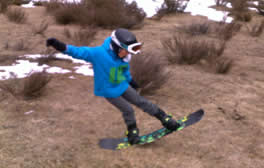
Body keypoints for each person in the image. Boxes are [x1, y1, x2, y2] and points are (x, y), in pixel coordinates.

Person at [46, 28, 180, 144]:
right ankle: (132, 133)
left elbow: (124, 70)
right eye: (126, 51)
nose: (128, 54)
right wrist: (59, 45)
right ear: (116, 47)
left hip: (122, 85)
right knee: (128, 109)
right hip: (108, 91)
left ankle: (165, 119)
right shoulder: (98, 54)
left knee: (141, 101)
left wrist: (130, 81)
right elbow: (78, 52)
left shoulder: (124, 57)